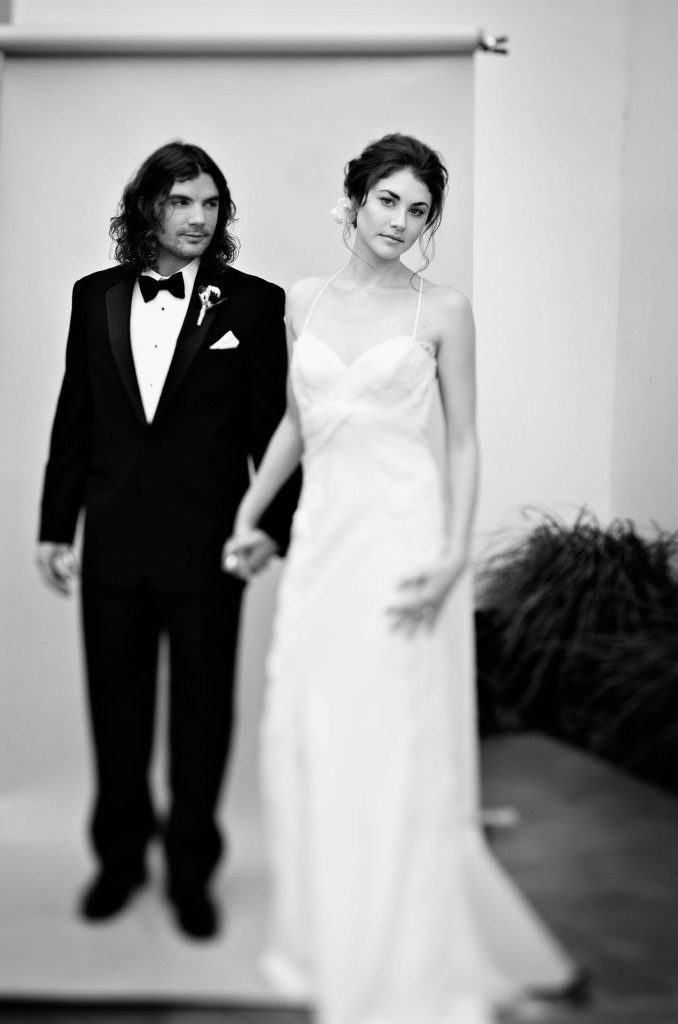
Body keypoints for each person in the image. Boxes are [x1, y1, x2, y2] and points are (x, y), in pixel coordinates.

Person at [224, 134, 579, 1023]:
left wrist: (455, 552)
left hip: (402, 541)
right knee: (311, 730)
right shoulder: (301, 300)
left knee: (388, 737)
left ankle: (401, 955)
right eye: (387, 200)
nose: (400, 221)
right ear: (355, 199)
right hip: (323, 541)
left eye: (419, 210)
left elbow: (463, 438)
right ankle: (326, 938)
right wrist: (248, 514)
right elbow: (297, 424)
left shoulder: (444, 310)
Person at [36, 141, 296, 940]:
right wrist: (55, 527)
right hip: (113, 541)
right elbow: (76, 416)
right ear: (148, 207)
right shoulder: (93, 296)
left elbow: (274, 433)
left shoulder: (252, 305)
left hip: (208, 547)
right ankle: (119, 862)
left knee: (202, 716)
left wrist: (272, 529)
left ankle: (191, 872)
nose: (198, 218)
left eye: (210, 204)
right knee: (115, 710)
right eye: (182, 201)